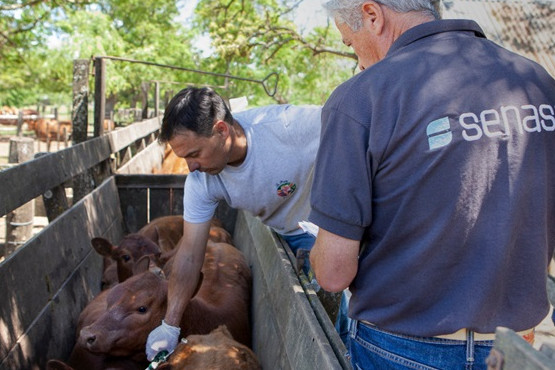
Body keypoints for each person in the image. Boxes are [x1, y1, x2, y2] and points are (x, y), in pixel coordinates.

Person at [308, 0, 555, 369]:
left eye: (349, 41)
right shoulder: (538, 82)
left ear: (372, 15)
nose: (357, 59)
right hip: (515, 347)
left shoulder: (360, 98)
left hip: (401, 349)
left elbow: (332, 273)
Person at [144, 87, 322, 360]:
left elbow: (355, 128)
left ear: (221, 130)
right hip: (291, 233)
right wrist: (170, 324)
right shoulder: (201, 181)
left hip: (334, 224)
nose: (190, 167)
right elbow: (190, 253)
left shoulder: (291, 127)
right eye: (184, 158)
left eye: (194, 153)